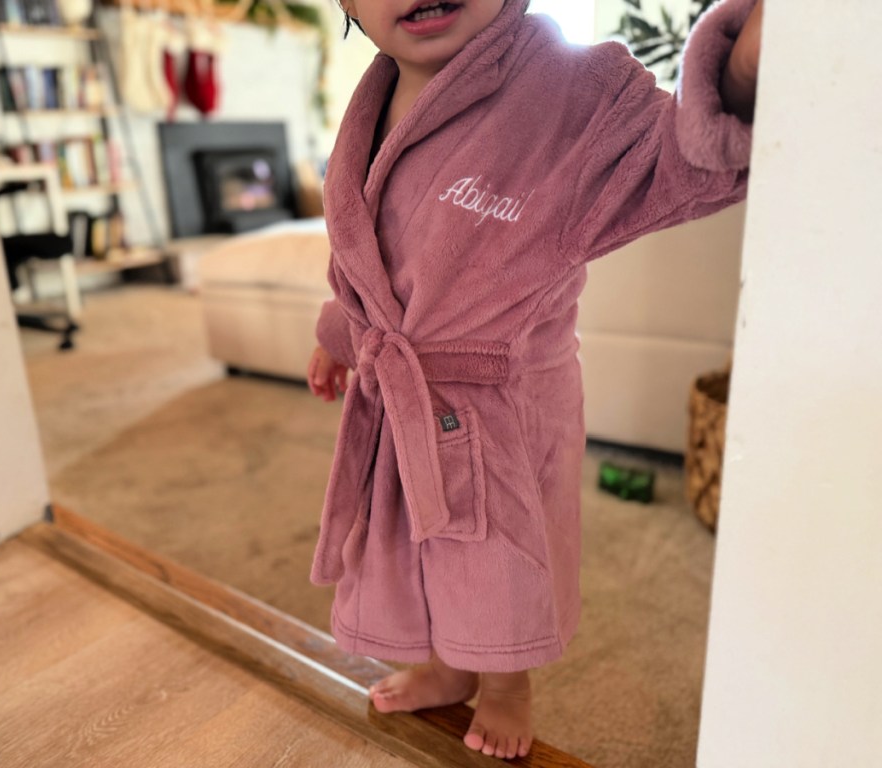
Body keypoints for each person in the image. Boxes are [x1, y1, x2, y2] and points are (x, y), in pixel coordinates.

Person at [306, 0, 763, 759]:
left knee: (498, 560)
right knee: (420, 543)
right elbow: (369, 255)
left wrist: (743, 66)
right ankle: (449, 665)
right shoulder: (375, 97)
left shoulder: (568, 90)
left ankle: (509, 683)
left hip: (503, 399)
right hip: (403, 387)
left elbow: (682, 157)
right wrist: (339, 333)